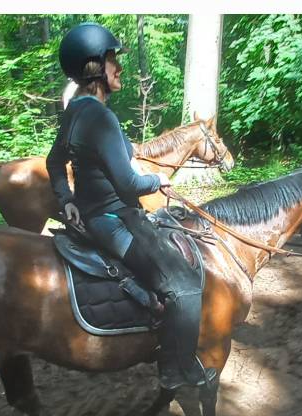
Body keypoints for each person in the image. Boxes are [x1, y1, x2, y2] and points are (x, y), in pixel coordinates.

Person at [47, 21, 214, 391]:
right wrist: (160, 180)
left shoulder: (74, 111)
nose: (119, 68)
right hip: (116, 219)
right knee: (184, 284)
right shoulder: (100, 117)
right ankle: (177, 371)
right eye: (111, 61)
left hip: (92, 216)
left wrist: (67, 200)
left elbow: (53, 163)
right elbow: (130, 184)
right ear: (95, 69)